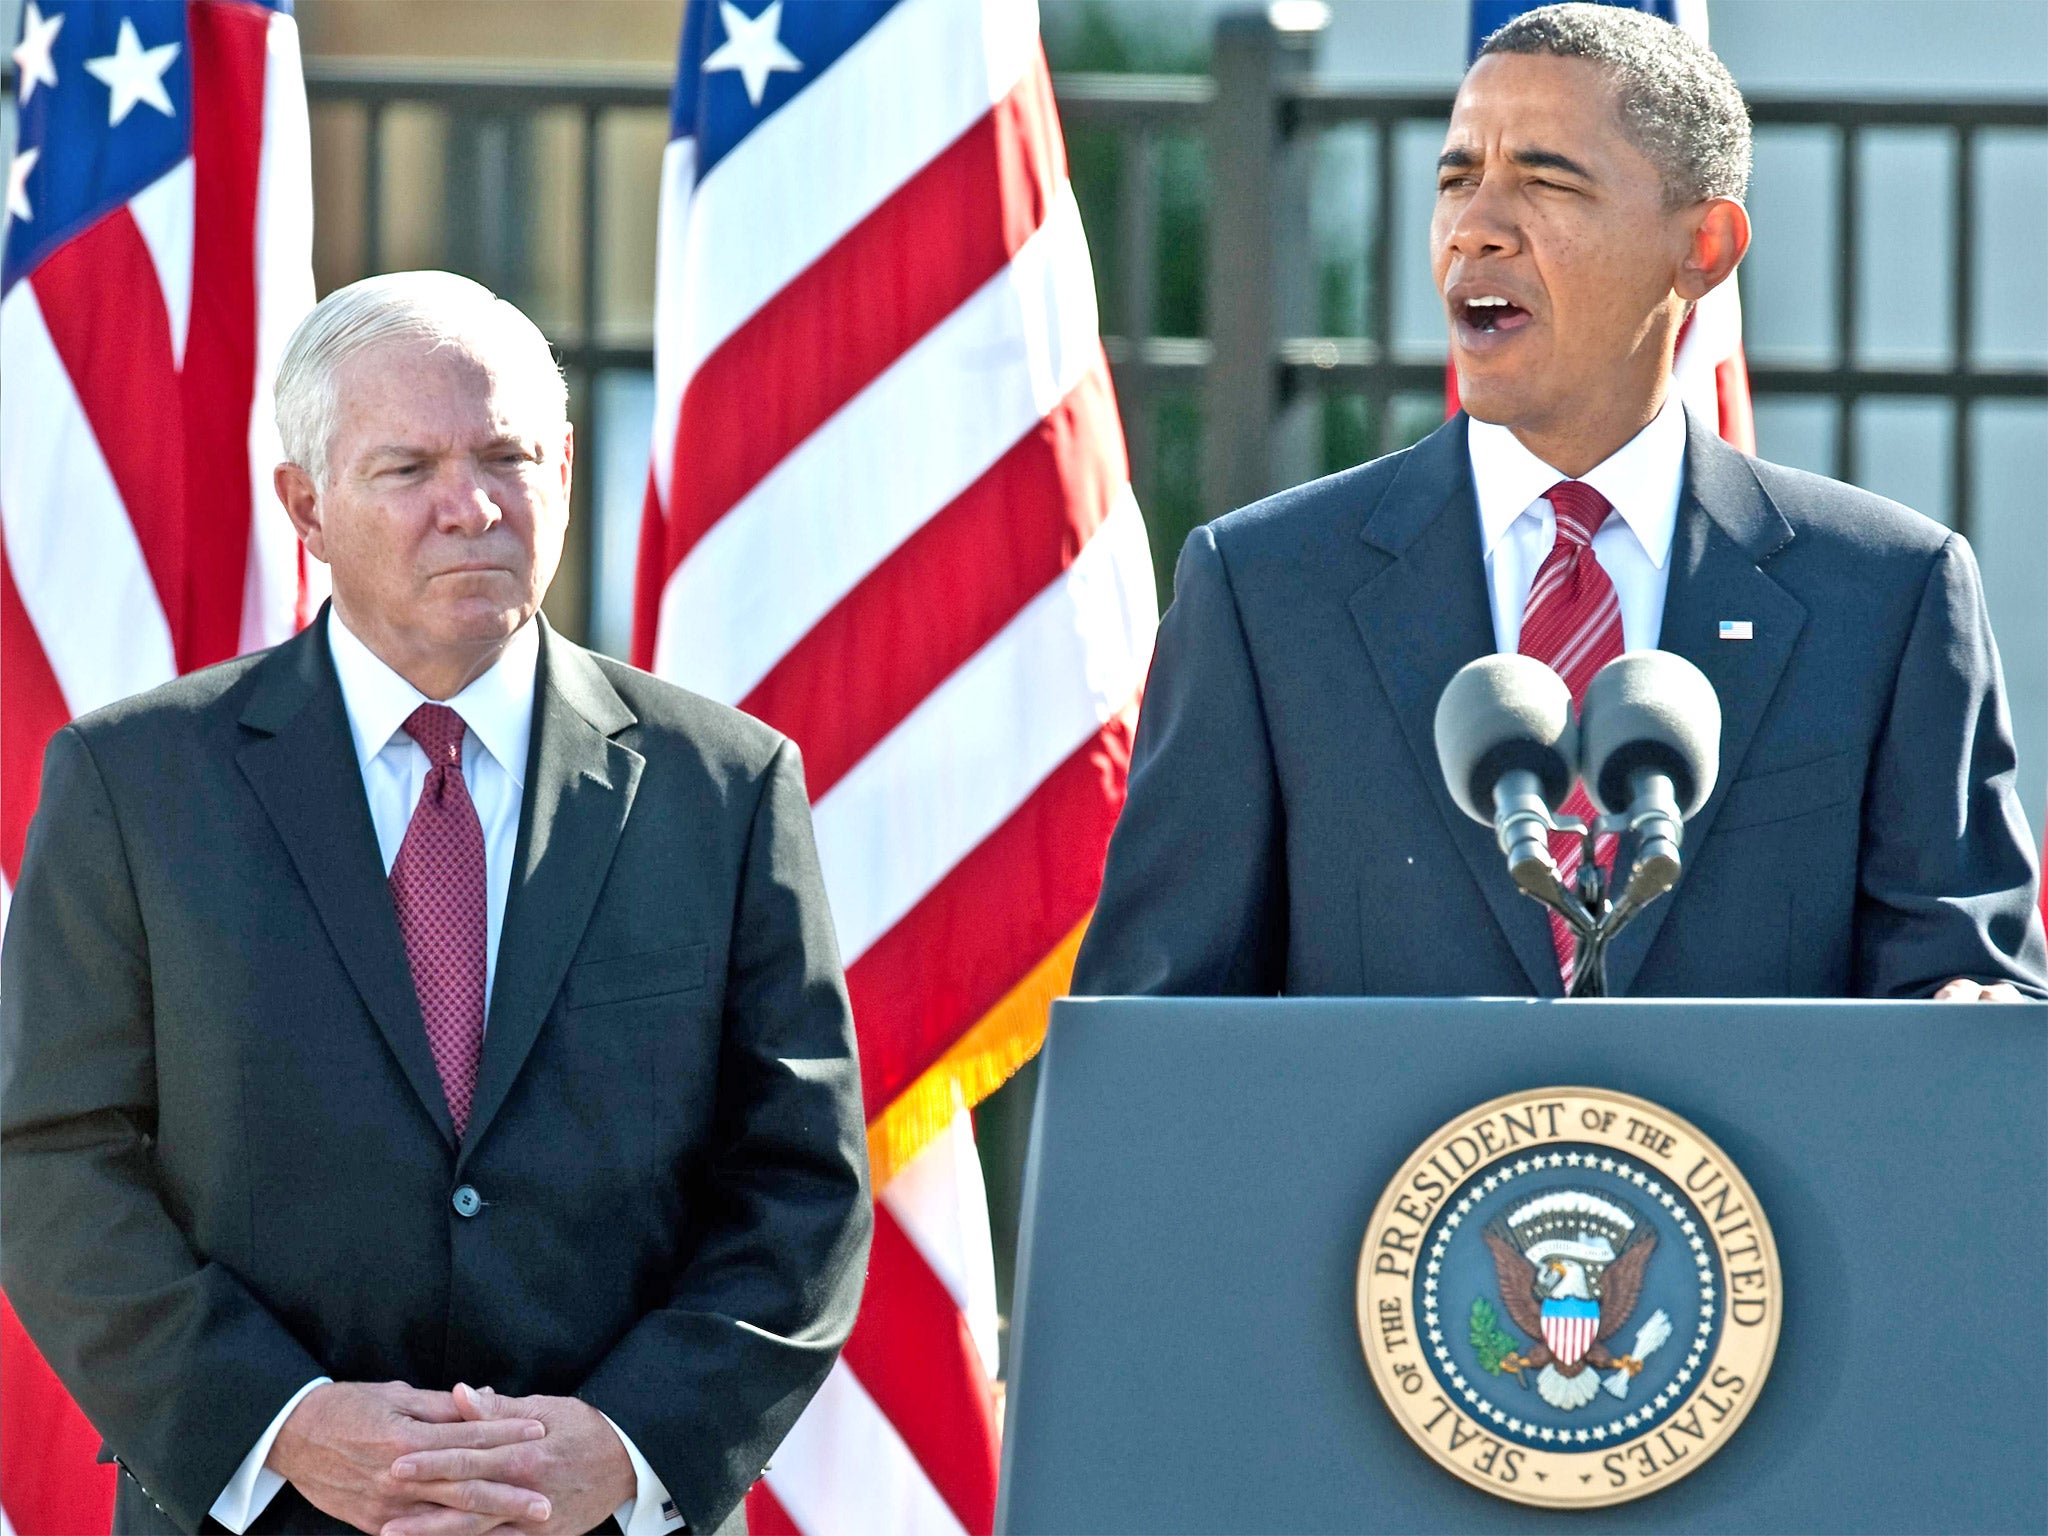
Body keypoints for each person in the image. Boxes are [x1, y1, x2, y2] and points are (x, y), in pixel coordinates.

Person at [0, 271, 870, 1536]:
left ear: (564, 468)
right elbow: (56, 1160)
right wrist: (284, 1423)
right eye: (406, 469)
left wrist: (626, 1445)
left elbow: (802, 1177)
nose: (470, 508)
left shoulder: (725, 786)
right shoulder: (136, 784)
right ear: (303, 504)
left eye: (506, 455)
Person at [1072, 3, 2046, 1002]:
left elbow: (1966, 999)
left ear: (1701, 246)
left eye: (1542, 181)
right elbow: (1154, 1035)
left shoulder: (1885, 596)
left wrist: (1969, 1008)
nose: (1473, 228)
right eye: (1454, 179)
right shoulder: (1266, 593)